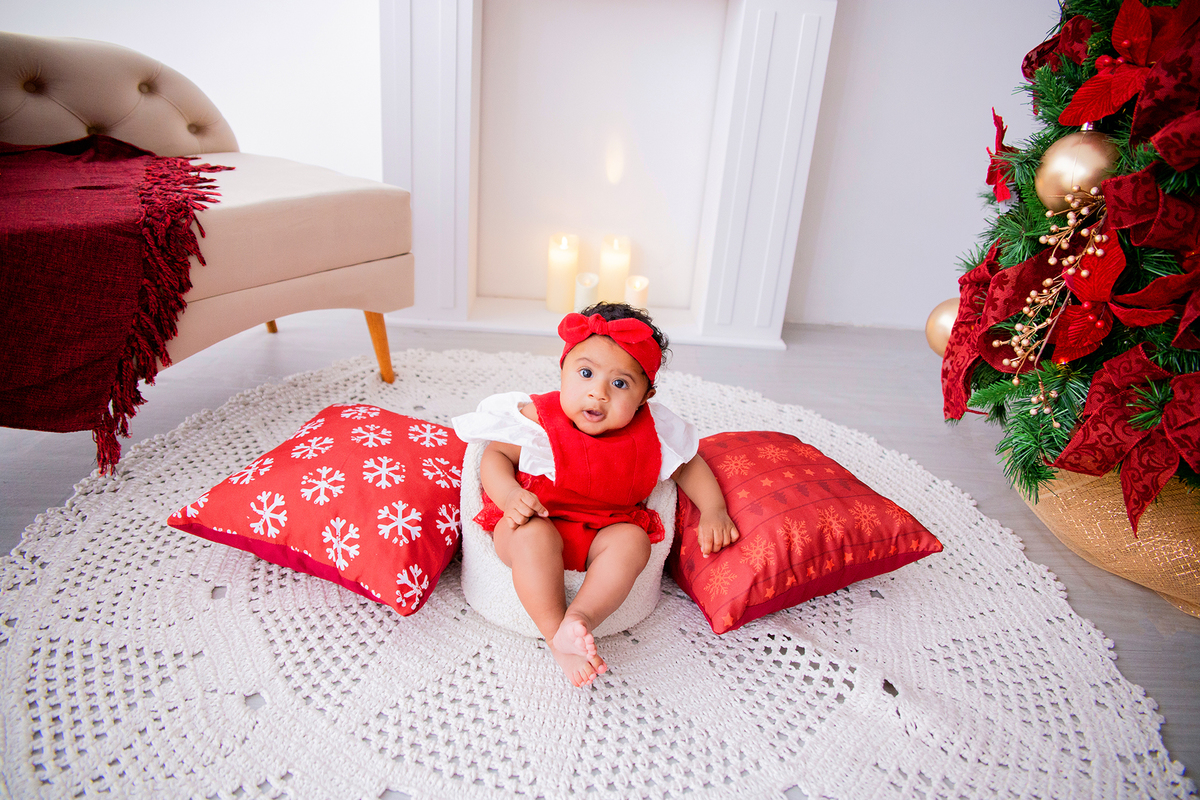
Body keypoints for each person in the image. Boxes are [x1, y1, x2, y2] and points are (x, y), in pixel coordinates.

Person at [452, 302, 738, 687]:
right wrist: (509, 496)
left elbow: (690, 465)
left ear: (644, 397)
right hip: (535, 519)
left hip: (605, 530)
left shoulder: (652, 433)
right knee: (533, 536)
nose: (598, 393)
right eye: (585, 373)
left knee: (633, 543)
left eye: (620, 383)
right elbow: (494, 455)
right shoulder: (539, 418)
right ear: (563, 372)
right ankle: (557, 636)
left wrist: (715, 510)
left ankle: (580, 618)